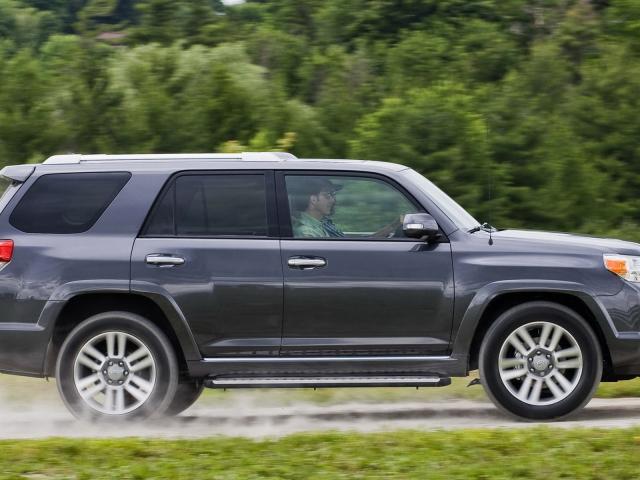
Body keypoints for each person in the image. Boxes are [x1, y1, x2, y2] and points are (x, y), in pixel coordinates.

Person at [291, 177, 404, 238]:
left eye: (333, 195)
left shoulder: (322, 224)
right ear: (313, 199)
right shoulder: (307, 232)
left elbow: (354, 243)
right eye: (328, 195)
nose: (333, 200)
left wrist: (394, 225)